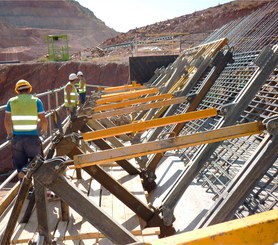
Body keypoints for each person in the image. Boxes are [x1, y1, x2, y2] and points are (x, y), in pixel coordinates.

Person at [4, 79, 48, 179]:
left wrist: (10, 134)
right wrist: (44, 132)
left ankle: (26, 190)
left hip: (17, 139)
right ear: (29, 89)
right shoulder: (36, 101)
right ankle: (28, 175)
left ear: (17, 91)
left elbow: (7, 121)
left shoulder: (11, 102)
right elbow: (43, 120)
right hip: (32, 138)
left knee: (19, 166)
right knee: (37, 162)